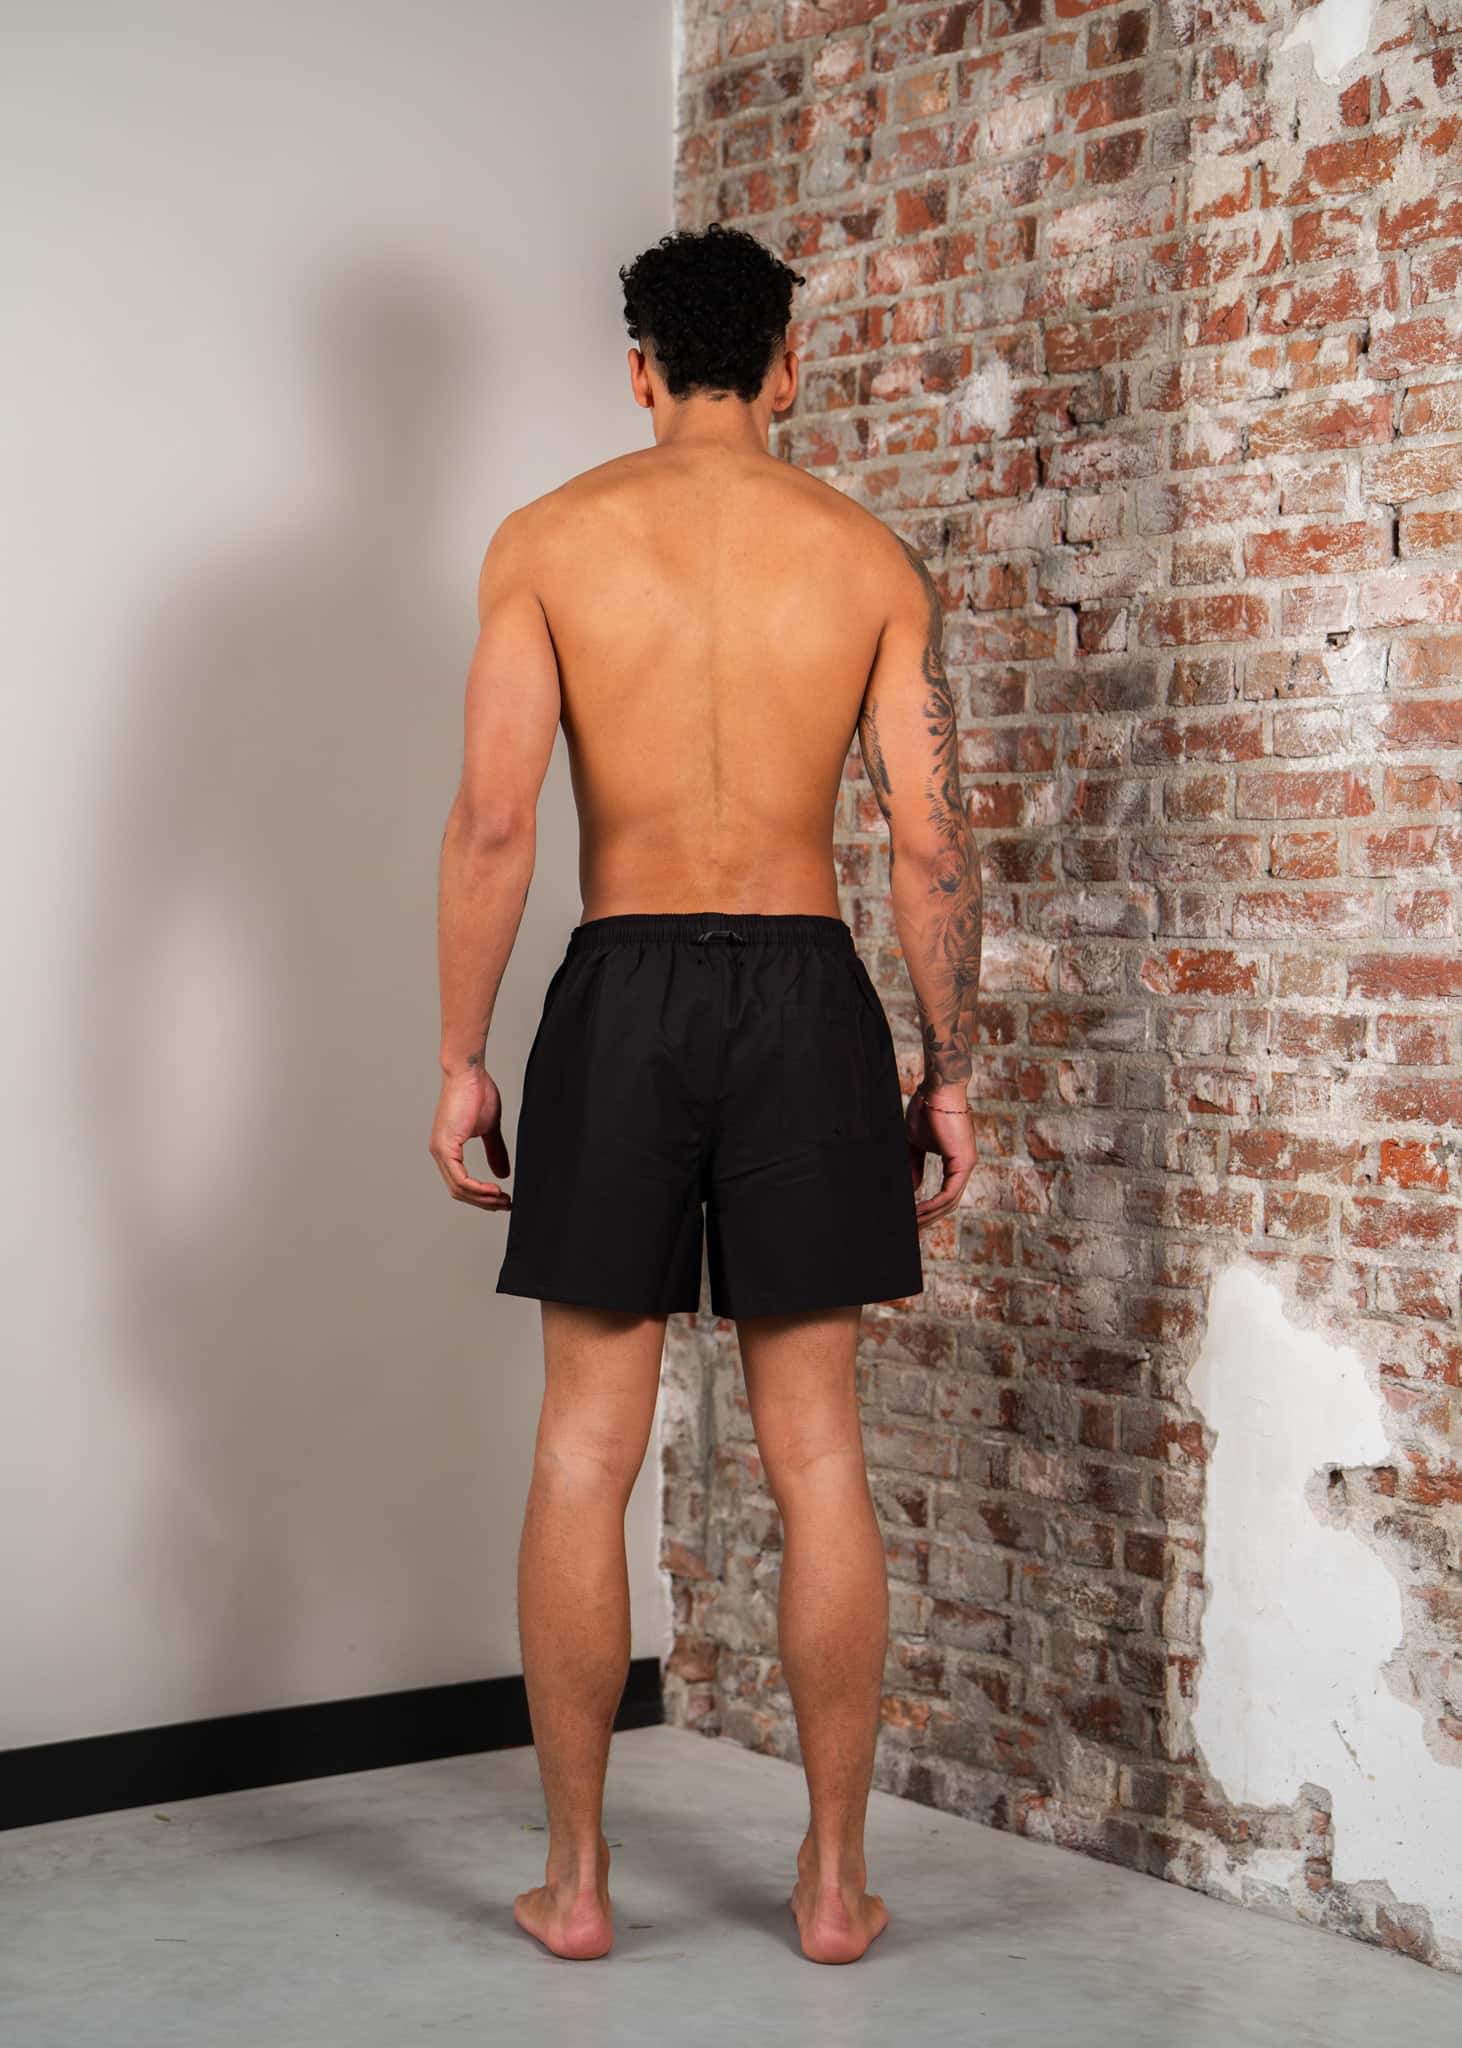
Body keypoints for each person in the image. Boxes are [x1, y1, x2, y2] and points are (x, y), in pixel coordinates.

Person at [429, 223, 981, 1966]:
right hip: (809, 996)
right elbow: (929, 846)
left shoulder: (548, 540)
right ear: (788, 365)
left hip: (623, 988)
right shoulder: (867, 558)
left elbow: (495, 824)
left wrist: (459, 1056)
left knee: (583, 1448)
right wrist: (948, 1066)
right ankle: (830, 1887)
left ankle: (578, 1883)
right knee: (817, 1453)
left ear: (640, 371)